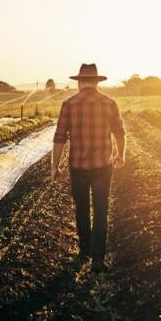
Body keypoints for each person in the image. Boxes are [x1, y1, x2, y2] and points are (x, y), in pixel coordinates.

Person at [51, 63, 126, 272]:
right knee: (101, 210)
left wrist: (54, 167)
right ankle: (98, 260)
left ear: (80, 82)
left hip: (77, 166)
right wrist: (121, 155)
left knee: (82, 209)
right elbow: (120, 133)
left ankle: (84, 252)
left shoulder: (69, 104)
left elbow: (59, 138)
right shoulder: (109, 103)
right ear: (96, 81)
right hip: (103, 165)